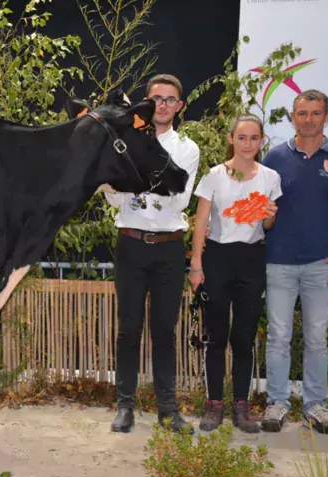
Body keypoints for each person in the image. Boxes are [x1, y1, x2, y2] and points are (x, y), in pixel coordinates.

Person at [106, 74, 200, 434]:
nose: (162, 104)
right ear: (145, 103)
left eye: (170, 99)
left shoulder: (187, 149)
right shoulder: (126, 141)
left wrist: (132, 183)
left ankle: (167, 409)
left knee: (164, 331)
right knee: (128, 330)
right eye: (156, 98)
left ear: (179, 106)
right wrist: (127, 185)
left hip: (168, 248)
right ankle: (125, 407)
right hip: (130, 244)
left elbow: (178, 198)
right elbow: (112, 193)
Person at [261, 89, 328, 436]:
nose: (309, 119)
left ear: (327, 116)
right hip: (279, 261)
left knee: (317, 338)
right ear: (292, 117)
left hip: (322, 264)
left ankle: (316, 406)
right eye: (302, 113)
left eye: (316, 113)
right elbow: (262, 209)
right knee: (278, 336)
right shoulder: (274, 157)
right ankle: (278, 402)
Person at [188, 113, 281, 433]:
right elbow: (200, 222)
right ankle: (214, 404)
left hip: (252, 259)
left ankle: (241, 405)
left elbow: (267, 226)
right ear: (231, 139)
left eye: (254, 138)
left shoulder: (270, 177)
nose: (247, 144)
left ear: (261, 140)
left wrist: (270, 216)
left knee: (243, 338)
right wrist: (196, 263)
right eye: (242, 137)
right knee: (216, 337)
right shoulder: (214, 175)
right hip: (217, 258)